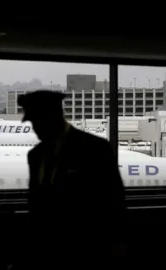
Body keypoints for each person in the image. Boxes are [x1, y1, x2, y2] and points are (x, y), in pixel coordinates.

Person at [16, 90, 127, 267]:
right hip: (47, 252)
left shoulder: (94, 149)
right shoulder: (36, 155)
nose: (35, 128)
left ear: (53, 117)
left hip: (87, 249)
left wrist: (116, 243)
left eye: (37, 121)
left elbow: (114, 200)